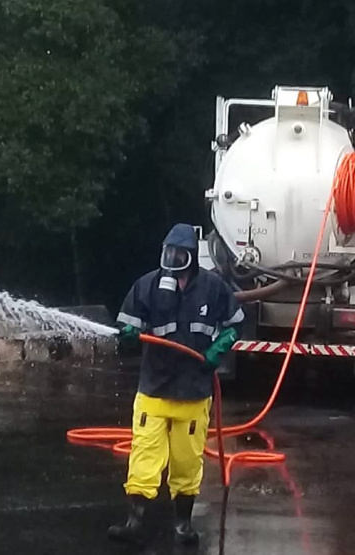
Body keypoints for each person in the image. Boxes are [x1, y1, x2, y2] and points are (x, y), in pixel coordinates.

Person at [108, 223, 244, 546]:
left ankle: (183, 524)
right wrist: (126, 337)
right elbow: (126, 329)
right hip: (154, 390)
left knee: (187, 461)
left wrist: (218, 348)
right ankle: (135, 521)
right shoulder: (147, 287)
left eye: (179, 256)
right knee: (144, 457)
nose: (172, 261)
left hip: (193, 394)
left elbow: (236, 323)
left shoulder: (213, 288)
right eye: (168, 254)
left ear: (192, 258)